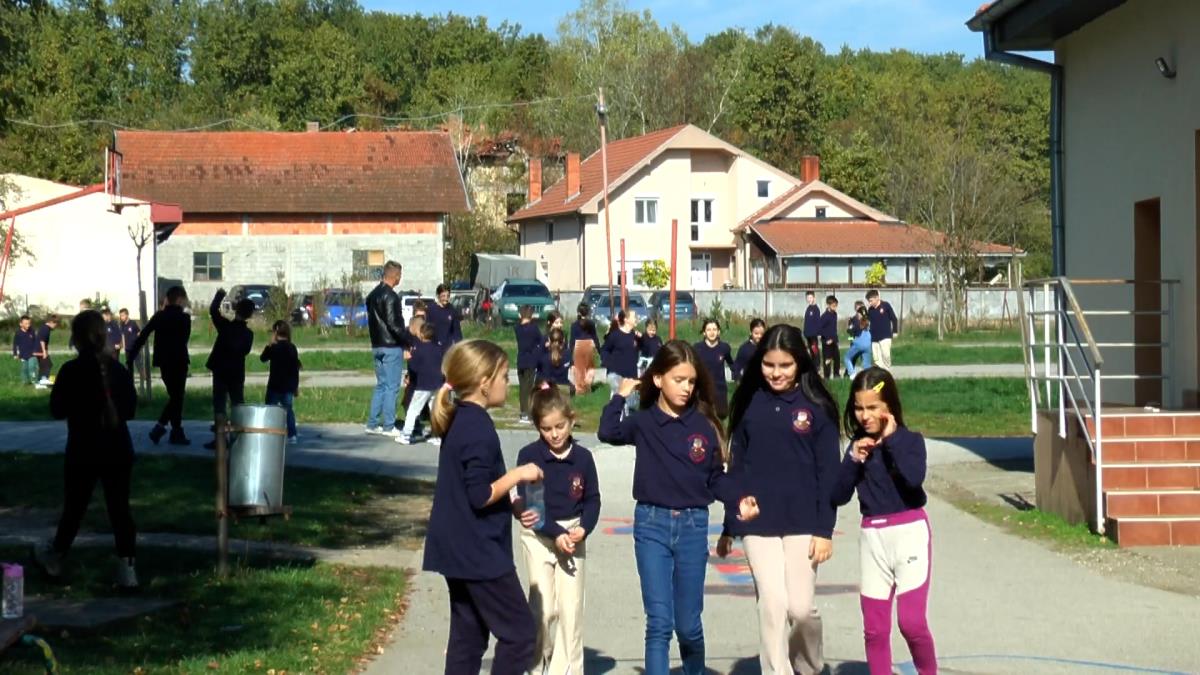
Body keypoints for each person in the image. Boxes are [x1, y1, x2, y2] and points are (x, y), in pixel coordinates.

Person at [597, 340, 759, 675]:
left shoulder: (703, 426)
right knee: (658, 623)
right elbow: (608, 431)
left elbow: (716, 479)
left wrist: (739, 498)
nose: (686, 388)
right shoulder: (643, 423)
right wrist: (619, 395)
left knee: (688, 626)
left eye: (691, 381)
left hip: (692, 526)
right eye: (678, 380)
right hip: (651, 525)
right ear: (657, 379)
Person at [719, 324, 840, 675]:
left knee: (801, 609)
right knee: (772, 603)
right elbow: (736, 466)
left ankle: (808, 666)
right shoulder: (749, 402)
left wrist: (825, 530)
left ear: (800, 362)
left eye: (785, 365)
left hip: (804, 521)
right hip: (757, 522)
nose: (776, 373)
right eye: (769, 365)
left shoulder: (817, 407)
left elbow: (828, 474)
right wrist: (731, 523)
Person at [422, 339, 543, 675]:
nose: (509, 382)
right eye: (504, 376)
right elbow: (478, 494)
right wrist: (519, 475)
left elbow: (473, 486)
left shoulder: (462, 417)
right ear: (484, 382)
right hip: (476, 552)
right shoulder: (476, 427)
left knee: (469, 636)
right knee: (519, 635)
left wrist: (513, 503)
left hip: (456, 546)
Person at [832, 368, 937, 675]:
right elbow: (837, 495)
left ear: (888, 406)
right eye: (858, 407)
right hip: (873, 538)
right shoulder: (858, 446)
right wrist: (853, 459)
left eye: (872, 407)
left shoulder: (910, 440)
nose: (864, 415)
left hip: (909, 533)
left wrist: (890, 442)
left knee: (911, 622)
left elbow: (914, 478)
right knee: (875, 630)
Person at [33, 310, 140, 589]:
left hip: (84, 448)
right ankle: (127, 568)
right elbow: (129, 409)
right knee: (119, 508)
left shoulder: (71, 371)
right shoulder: (118, 370)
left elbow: (57, 410)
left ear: (77, 339)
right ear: (104, 335)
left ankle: (56, 556)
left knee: (75, 508)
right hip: (118, 447)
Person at [515, 382, 601, 675]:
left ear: (572, 420)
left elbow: (592, 499)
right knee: (544, 609)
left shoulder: (583, 458)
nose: (554, 434)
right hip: (540, 535)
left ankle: (568, 669)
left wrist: (583, 529)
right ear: (537, 427)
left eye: (560, 426)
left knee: (571, 610)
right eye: (546, 429)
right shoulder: (530, 456)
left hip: (573, 533)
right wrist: (557, 535)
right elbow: (533, 511)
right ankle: (535, 664)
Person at [128, 286, 191, 445]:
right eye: (183, 299)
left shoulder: (159, 316)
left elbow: (143, 336)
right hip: (179, 361)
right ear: (179, 299)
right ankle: (160, 428)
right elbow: (184, 339)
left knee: (176, 397)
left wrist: (132, 355)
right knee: (177, 397)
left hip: (164, 362)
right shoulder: (184, 318)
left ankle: (176, 432)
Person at [366, 261, 414, 438]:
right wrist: (408, 340)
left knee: (381, 385)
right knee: (392, 387)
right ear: (395, 276)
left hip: (376, 345)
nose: (400, 278)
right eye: (399, 275)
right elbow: (394, 324)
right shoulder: (391, 297)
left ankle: (372, 423)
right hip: (391, 346)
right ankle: (389, 425)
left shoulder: (371, 295)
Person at [204, 289, 255, 449]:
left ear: (235, 310)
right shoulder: (249, 334)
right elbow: (245, 351)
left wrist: (220, 295)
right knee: (237, 403)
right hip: (237, 372)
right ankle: (238, 437)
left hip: (220, 370)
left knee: (220, 404)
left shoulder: (225, 326)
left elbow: (213, 311)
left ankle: (220, 438)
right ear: (250, 315)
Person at [398, 319, 444, 446]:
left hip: (423, 384)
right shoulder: (439, 348)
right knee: (434, 410)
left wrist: (409, 364)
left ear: (422, 334)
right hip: (437, 384)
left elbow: (414, 367)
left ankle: (406, 435)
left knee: (413, 409)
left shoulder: (419, 349)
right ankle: (437, 435)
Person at [261, 320, 302, 443]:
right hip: (288, 386)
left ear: (275, 332)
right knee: (288, 410)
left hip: (274, 385)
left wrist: (269, 344)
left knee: (270, 409)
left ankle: (270, 432)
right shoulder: (292, 347)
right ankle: (292, 434)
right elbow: (295, 368)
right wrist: (295, 386)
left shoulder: (274, 347)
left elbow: (263, 358)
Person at [693, 318, 733, 419]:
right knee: (702, 417)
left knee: (722, 415)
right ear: (704, 332)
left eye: (714, 329)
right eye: (709, 329)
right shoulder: (697, 348)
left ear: (719, 331)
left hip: (720, 388)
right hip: (703, 388)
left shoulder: (724, 348)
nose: (712, 332)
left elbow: (732, 364)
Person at [600, 309, 640, 410]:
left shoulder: (635, 336)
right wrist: (608, 364)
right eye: (634, 316)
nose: (637, 319)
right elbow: (604, 350)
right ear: (626, 319)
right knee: (620, 401)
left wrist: (643, 338)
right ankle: (615, 420)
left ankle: (627, 422)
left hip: (631, 375)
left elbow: (644, 348)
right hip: (616, 374)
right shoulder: (615, 335)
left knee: (631, 405)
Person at [515, 305, 543, 424]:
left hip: (520, 359)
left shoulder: (517, 328)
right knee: (530, 388)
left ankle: (523, 413)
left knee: (522, 388)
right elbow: (540, 341)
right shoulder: (534, 328)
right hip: (531, 360)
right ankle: (528, 413)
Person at [569, 304, 599, 396]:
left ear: (578, 312)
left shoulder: (574, 325)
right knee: (589, 367)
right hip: (589, 344)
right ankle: (588, 387)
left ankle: (580, 390)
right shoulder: (591, 324)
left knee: (579, 368)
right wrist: (599, 349)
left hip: (578, 345)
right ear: (588, 312)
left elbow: (572, 340)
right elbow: (595, 337)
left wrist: (570, 353)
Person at [866, 290, 899, 372]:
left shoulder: (885, 305)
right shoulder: (870, 309)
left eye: (871, 301)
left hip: (885, 336)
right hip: (874, 338)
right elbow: (868, 322)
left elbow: (894, 319)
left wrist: (895, 331)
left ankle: (888, 370)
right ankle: (881, 373)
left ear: (877, 298)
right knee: (876, 358)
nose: (870, 303)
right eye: (868, 301)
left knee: (886, 355)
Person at [426, 284, 464, 348]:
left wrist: (459, 345)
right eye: (443, 296)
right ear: (438, 296)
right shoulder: (431, 309)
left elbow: (456, 330)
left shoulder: (452, 310)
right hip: (433, 345)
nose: (446, 298)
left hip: (447, 346)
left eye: (448, 296)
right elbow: (427, 329)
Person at [536, 327, 571, 392]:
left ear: (549, 340)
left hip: (550, 391)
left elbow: (543, 378)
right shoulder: (568, 355)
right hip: (564, 389)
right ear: (563, 340)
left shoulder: (545, 358)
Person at [844, 302, 872, 377]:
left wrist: (849, 328)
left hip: (858, 343)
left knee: (847, 358)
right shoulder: (868, 320)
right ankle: (869, 376)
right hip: (868, 344)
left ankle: (852, 374)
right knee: (866, 364)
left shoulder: (856, 321)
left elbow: (850, 332)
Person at [12, 315, 39, 385]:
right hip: (23, 355)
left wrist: (36, 351)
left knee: (32, 367)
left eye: (29, 323)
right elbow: (15, 344)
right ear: (21, 324)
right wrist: (15, 354)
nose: (28, 325)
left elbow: (36, 341)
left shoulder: (32, 331)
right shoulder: (18, 333)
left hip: (32, 354)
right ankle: (25, 382)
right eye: (26, 323)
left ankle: (34, 381)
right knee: (24, 369)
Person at [819, 296, 841, 380]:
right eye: (833, 306)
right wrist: (827, 339)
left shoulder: (834, 314)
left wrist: (836, 339)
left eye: (836, 305)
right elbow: (820, 329)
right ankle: (827, 377)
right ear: (828, 305)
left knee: (837, 358)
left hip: (834, 340)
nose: (835, 307)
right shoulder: (824, 316)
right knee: (827, 359)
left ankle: (836, 375)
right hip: (827, 341)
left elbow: (834, 328)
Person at [34, 314, 58, 388]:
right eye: (55, 324)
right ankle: (43, 379)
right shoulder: (46, 329)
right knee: (48, 364)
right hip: (40, 350)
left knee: (43, 365)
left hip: (38, 349)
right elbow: (42, 340)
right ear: (51, 322)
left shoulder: (44, 328)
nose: (55, 326)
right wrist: (44, 351)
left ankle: (40, 382)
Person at [802, 291, 821, 362]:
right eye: (807, 298)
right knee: (811, 350)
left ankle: (817, 365)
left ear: (814, 298)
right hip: (808, 334)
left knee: (815, 349)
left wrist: (819, 333)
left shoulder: (816, 309)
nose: (809, 299)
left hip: (813, 334)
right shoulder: (808, 308)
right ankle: (813, 364)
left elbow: (818, 322)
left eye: (810, 297)